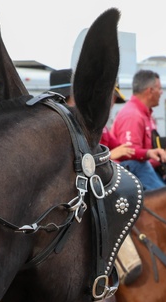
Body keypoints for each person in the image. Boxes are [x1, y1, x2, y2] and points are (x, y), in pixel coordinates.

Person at [50, 67, 141, 284]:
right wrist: (112, 155)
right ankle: (108, 284)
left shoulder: (82, 118)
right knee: (103, 213)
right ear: (73, 94)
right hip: (71, 191)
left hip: (84, 184)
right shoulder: (66, 121)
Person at [111, 69, 166, 190]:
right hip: (130, 176)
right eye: (159, 88)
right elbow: (130, 157)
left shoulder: (144, 114)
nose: (161, 92)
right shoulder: (133, 115)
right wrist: (164, 159)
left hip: (143, 171)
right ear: (150, 91)